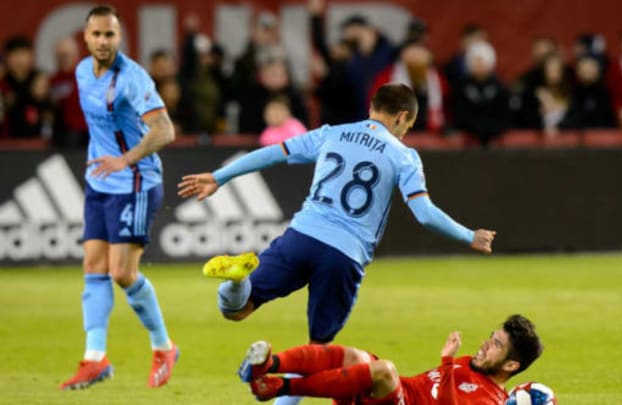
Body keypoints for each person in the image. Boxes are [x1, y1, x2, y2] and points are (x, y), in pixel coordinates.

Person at [178, 83, 495, 344]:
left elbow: (273, 153)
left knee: (237, 309)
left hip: (301, 236)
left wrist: (220, 177)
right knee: (318, 350)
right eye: (408, 126)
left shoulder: (332, 133)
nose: (405, 133)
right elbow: (424, 214)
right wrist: (469, 236)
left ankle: (235, 280)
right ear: (401, 117)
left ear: (371, 107)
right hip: (344, 254)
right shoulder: (404, 156)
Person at [60, 5, 178, 390]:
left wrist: (125, 159)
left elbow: (165, 131)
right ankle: (95, 359)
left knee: (122, 273)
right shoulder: (81, 71)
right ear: (86, 36)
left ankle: (164, 347)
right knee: (92, 265)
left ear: (119, 37)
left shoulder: (132, 78)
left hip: (135, 182)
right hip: (100, 182)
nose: (102, 41)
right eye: (96, 34)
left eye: (109, 34)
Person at [242, 314, 543, 404]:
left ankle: (279, 388)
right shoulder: (471, 364)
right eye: (490, 337)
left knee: (384, 370)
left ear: (511, 366)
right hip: (391, 398)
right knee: (357, 357)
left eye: (495, 345)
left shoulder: (490, 400)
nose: (484, 345)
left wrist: (447, 363)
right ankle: (268, 367)